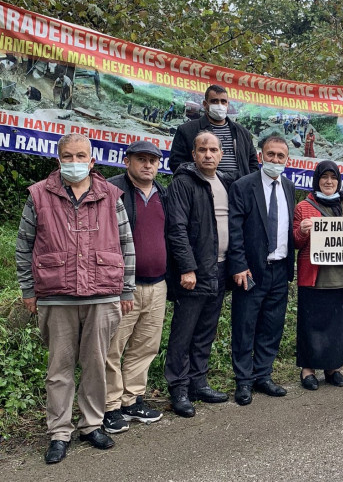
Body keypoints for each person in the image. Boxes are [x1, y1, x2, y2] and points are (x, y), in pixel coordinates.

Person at [16, 133, 135, 464]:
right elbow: (24, 245)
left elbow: (127, 244)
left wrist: (126, 287)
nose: (74, 162)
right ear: (58, 160)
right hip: (56, 296)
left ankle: (92, 424)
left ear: (92, 160)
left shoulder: (111, 195)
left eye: (80, 155)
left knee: (96, 365)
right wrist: (28, 289)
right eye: (67, 156)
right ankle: (59, 431)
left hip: (103, 293)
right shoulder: (39, 195)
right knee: (60, 367)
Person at [164, 131, 233, 418]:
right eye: (202, 149)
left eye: (213, 150)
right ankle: (178, 388)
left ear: (220, 154)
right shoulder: (183, 183)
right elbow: (176, 229)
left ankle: (198, 382)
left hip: (220, 268)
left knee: (206, 329)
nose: (208, 154)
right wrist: (187, 267)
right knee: (184, 331)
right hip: (195, 271)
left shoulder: (225, 182)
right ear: (193, 154)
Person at [102, 141, 168, 434]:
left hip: (157, 285)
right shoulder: (111, 190)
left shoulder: (162, 193)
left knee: (145, 346)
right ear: (127, 161)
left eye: (153, 160)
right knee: (112, 348)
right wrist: (117, 284)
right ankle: (109, 406)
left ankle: (132, 400)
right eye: (141, 159)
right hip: (123, 286)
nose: (148, 165)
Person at [228, 135, 295, 406]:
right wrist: (239, 264)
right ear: (260, 156)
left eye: (281, 156)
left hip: (280, 269)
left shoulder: (289, 187)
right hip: (251, 270)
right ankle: (243, 381)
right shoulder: (244, 186)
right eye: (271, 155)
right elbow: (234, 230)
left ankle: (263, 375)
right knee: (245, 326)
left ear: (287, 160)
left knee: (272, 325)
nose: (275, 160)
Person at [294, 161, 343, 389]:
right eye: (324, 177)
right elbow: (295, 242)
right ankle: (308, 370)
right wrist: (302, 230)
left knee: (338, 324)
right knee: (312, 324)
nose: (329, 181)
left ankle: (333, 367)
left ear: (339, 181)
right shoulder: (303, 207)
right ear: (317, 179)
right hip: (315, 278)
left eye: (333, 178)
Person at [169, 84, 259, 178]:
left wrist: (245, 183)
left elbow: (253, 164)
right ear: (205, 104)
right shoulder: (187, 130)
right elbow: (176, 163)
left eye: (223, 101)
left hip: (239, 189)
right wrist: (200, 180)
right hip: (203, 187)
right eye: (214, 101)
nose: (219, 105)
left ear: (227, 104)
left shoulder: (242, 132)